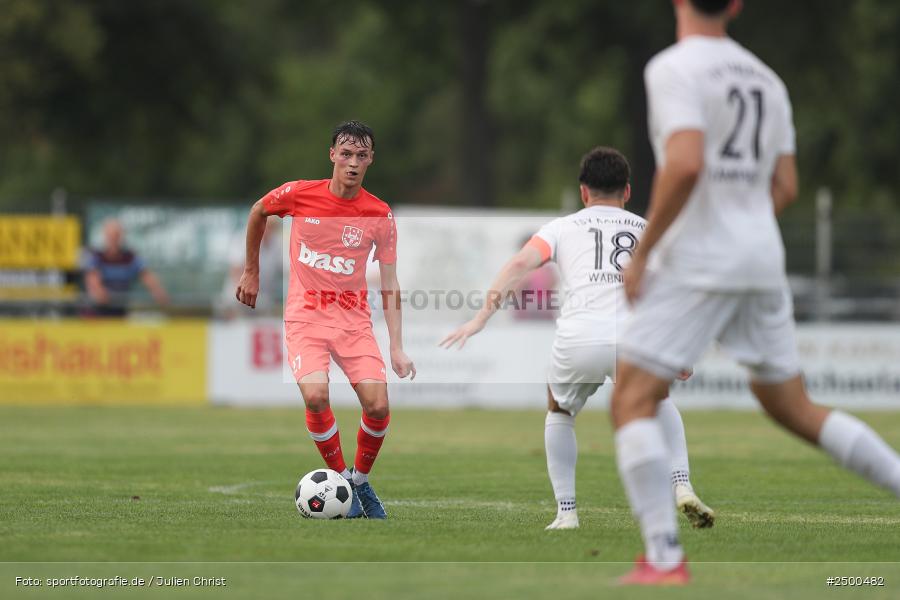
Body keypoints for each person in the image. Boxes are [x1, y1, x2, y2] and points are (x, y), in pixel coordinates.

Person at [612, 0, 900, 585]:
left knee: (632, 399)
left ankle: (663, 558)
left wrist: (644, 253)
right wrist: (742, 224)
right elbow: (786, 185)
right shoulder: (767, 78)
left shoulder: (673, 67)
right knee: (794, 407)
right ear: (736, 4)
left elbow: (685, 164)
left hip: (702, 258)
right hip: (762, 253)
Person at [441, 147, 714, 531]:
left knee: (560, 411)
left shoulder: (561, 227)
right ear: (627, 191)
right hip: (633, 338)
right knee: (659, 400)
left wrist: (480, 317)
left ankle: (566, 512)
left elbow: (519, 264)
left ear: (584, 192)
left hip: (580, 337)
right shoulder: (647, 229)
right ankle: (682, 485)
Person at [236, 120, 416, 519]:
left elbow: (390, 283)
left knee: (378, 406)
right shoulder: (300, 194)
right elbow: (258, 211)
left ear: (371, 160)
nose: (353, 163)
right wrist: (251, 271)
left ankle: (359, 481)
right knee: (316, 396)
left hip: (353, 322)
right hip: (306, 317)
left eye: (361, 156)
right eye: (346, 154)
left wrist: (397, 347)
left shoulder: (379, 214)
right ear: (332, 154)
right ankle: (343, 482)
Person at [84, 219, 169, 316]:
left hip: (120, 310)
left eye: (116, 235)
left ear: (122, 237)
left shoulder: (130, 258)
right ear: (105, 236)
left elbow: (147, 276)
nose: (113, 239)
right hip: (97, 312)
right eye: (110, 236)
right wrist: (99, 291)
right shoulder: (96, 257)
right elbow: (92, 279)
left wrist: (158, 292)